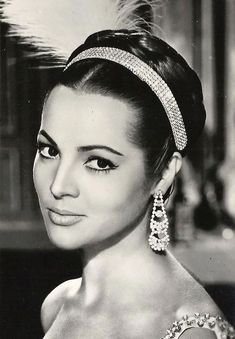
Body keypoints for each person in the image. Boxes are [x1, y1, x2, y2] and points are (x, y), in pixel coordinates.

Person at [32, 30, 235, 338]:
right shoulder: (56, 305)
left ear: (165, 172)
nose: (58, 186)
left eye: (99, 162)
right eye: (50, 150)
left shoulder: (190, 332)